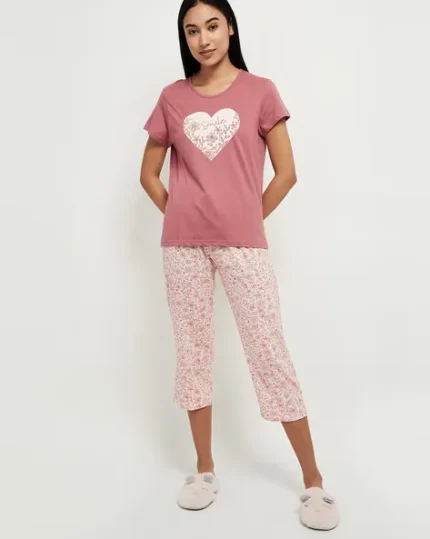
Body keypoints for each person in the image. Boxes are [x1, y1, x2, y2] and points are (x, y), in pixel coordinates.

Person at [140, 0, 340, 530]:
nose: (203, 39)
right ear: (184, 38)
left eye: (211, 26)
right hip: (182, 247)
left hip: (243, 245)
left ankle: (314, 482)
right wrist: (182, 214)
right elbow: (149, 175)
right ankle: (204, 471)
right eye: (192, 31)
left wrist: (245, 218)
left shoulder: (260, 91)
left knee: (269, 350)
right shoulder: (172, 98)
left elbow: (286, 172)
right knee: (193, 352)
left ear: (230, 27)